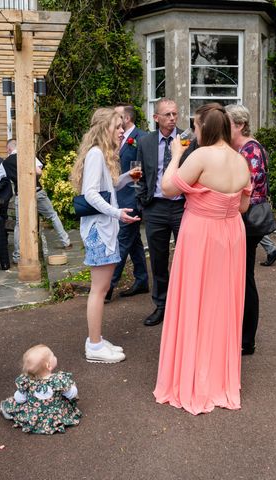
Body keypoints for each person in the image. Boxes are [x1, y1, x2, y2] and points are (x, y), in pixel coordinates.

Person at [153, 102, 252, 415]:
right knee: (222, 304)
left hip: (202, 234)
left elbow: (168, 188)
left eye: (195, 127)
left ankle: (195, 377)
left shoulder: (200, 155)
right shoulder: (240, 161)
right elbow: (243, 208)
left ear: (204, 128)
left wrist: (175, 157)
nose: (193, 132)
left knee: (196, 300)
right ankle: (219, 377)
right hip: (232, 236)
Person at [70, 108, 140, 363]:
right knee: (99, 290)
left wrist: (125, 177)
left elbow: (106, 188)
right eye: (118, 126)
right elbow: (90, 194)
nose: (122, 130)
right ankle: (95, 346)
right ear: (104, 129)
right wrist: (117, 213)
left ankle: (96, 340)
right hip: (99, 232)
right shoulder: (97, 154)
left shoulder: (101, 155)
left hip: (103, 230)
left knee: (102, 288)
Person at [226, 103, 270, 355]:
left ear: (240, 125)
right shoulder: (244, 149)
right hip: (244, 218)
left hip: (248, 220)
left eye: (228, 124)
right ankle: (242, 336)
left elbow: (246, 190)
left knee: (245, 279)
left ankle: (246, 340)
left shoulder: (250, 151)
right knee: (242, 277)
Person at [135, 98, 184, 327]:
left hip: (183, 207)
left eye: (175, 114)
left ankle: (184, 306)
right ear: (156, 118)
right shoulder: (145, 142)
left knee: (186, 258)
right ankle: (161, 305)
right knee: (158, 259)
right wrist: (143, 204)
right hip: (155, 208)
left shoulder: (188, 140)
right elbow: (140, 174)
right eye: (167, 114)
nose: (172, 118)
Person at [0, 139, 72, 264]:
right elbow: (39, 171)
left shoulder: (5, 163)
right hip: (36, 191)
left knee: (19, 225)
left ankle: (17, 256)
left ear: (9, 149)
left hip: (21, 195)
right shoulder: (27, 155)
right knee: (52, 215)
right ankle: (66, 242)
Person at [105, 104, 149, 303]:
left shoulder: (141, 138)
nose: (115, 118)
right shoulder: (115, 138)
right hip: (117, 197)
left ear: (127, 118)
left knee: (122, 241)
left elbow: (143, 172)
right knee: (134, 243)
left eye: (118, 115)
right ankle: (141, 280)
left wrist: (139, 199)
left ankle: (107, 286)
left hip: (132, 199)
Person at [0, 344, 81, 434]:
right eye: (53, 355)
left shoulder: (27, 382)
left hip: (34, 414)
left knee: (14, 402)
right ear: (48, 366)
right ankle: (55, 423)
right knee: (65, 398)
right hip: (55, 414)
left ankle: (13, 414)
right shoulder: (58, 381)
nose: (55, 357)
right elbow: (72, 394)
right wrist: (72, 387)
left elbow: (19, 399)